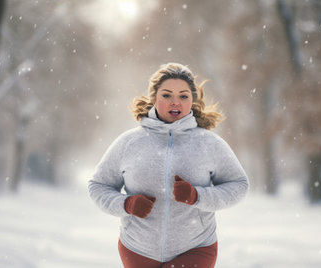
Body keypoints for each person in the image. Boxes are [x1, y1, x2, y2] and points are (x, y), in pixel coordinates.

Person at [88, 63, 249, 268]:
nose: (175, 102)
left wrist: (197, 196)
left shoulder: (209, 143)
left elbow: (238, 184)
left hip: (195, 246)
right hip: (138, 248)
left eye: (183, 96)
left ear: (192, 99)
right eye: (166, 95)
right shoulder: (129, 143)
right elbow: (98, 186)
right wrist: (126, 204)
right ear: (154, 97)